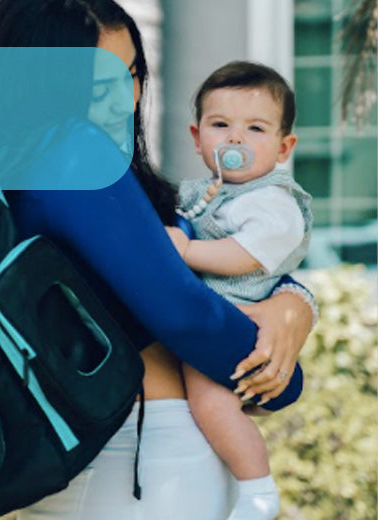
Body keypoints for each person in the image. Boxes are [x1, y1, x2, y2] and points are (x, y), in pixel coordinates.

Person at [0, 0, 318, 518]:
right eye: (95, 84)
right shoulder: (73, 156)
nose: (124, 100)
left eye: (130, 74)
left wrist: (292, 304)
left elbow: (188, 276)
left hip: (114, 458)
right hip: (138, 458)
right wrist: (280, 376)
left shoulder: (6, 171)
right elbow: (180, 309)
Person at [166, 61, 313, 520]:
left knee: (212, 403)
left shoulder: (275, 202)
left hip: (238, 318)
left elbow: (243, 256)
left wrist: (186, 251)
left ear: (284, 146)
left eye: (255, 128)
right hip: (210, 313)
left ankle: (257, 490)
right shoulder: (205, 191)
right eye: (220, 125)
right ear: (197, 137)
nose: (235, 139)